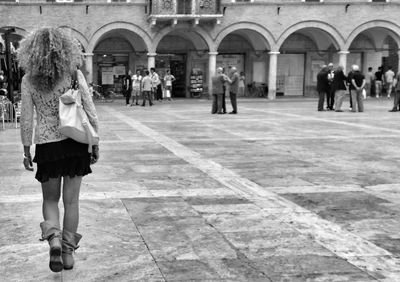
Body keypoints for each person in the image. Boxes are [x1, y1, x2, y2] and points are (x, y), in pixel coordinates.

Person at [17, 27, 99, 272]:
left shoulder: (28, 80)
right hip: (75, 143)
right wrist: (95, 142)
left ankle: (53, 237)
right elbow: (90, 109)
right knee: (71, 202)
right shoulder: (73, 74)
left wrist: (26, 148)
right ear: (65, 49)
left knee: (50, 199)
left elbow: (27, 118)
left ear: (31, 52)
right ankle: (67, 253)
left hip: (47, 146)